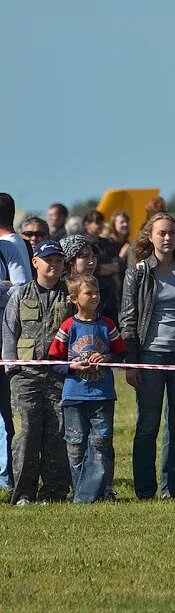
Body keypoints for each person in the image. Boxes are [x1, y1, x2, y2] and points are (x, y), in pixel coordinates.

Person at [120, 212, 175, 499]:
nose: (167, 238)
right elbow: (128, 319)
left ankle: (173, 488)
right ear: (150, 237)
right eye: (162, 233)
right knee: (147, 424)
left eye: (172, 234)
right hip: (149, 355)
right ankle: (144, 489)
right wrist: (131, 361)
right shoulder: (138, 272)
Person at [2, 239, 72, 504]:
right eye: (48, 260)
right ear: (35, 263)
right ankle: (22, 493)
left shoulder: (70, 295)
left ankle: (54, 492)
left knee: (57, 432)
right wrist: (12, 369)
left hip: (59, 376)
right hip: (25, 376)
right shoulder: (20, 294)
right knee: (26, 433)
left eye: (58, 260)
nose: (53, 265)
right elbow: (9, 332)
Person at [48, 274, 127, 503]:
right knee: (75, 445)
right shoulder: (68, 327)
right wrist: (71, 366)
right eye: (88, 293)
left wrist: (107, 357)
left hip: (102, 395)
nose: (94, 296)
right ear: (74, 298)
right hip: (74, 395)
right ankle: (84, 493)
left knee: (100, 443)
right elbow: (54, 360)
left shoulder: (107, 325)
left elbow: (121, 352)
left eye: (97, 292)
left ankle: (90, 495)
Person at [0, 193, 37, 491]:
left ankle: (6, 475)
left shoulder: (10, 247)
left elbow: (21, 289)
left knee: (5, 410)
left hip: (6, 337)